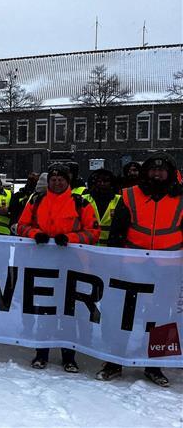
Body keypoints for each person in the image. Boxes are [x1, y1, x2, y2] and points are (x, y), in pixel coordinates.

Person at [97, 152, 182, 387]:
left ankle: (154, 366)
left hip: (168, 270)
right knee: (124, 316)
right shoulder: (130, 195)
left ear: (170, 173)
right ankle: (115, 361)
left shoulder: (181, 197)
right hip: (132, 268)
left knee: (162, 318)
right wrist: (114, 260)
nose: (157, 174)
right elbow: (117, 232)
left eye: (161, 170)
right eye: (153, 170)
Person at [16, 163, 100, 372]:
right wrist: (36, 234)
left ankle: (68, 356)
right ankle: (41, 353)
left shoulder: (80, 203)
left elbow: (93, 232)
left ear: (67, 181)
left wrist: (70, 238)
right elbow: (21, 226)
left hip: (72, 265)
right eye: (53, 179)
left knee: (68, 312)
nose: (56, 182)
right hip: (43, 264)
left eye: (60, 179)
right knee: (45, 310)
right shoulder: (36, 201)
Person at [82, 168, 121, 246]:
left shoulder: (119, 200)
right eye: (99, 181)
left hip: (111, 249)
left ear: (111, 183)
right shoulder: (84, 199)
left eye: (105, 181)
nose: (102, 184)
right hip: (88, 248)